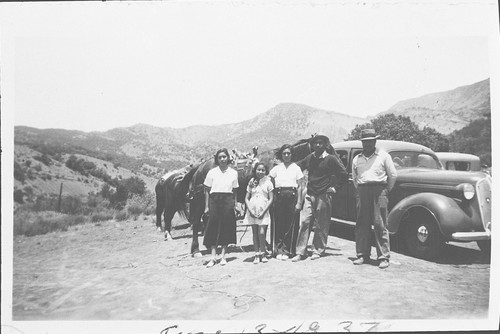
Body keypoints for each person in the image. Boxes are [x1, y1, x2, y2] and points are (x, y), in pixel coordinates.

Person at [292, 134, 348, 261]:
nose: (317, 145)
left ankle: (317, 250)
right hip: (310, 193)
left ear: (325, 145)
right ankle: (300, 251)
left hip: (323, 194)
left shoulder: (331, 159)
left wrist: (334, 188)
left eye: (320, 143)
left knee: (321, 224)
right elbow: (297, 166)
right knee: (305, 222)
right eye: (315, 143)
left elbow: (343, 175)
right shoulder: (310, 158)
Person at [351, 129, 397, 269]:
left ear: (375, 141)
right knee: (362, 224)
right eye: (365, 142)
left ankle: (383, 257)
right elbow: (354, 178)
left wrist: (385, 190)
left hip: (379, 190)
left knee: (380, 224)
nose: (368, 144)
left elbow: (393, 175)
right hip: (362, 190)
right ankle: (362, 255)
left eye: (370, 141)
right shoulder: (357, 158)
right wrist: (361, 190)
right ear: (362, 143)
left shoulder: (383, 156)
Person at [203, 148, 239, 268]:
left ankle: (223, 256)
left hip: (228, 200)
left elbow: (235, 191)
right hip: (214, 200)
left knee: (226, 227)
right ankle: (213, 257)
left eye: (224, 157)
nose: (222, 159)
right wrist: (207, 206)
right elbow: (207, 190)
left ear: (228, 158)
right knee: (212, 227)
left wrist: (236, 205)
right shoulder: (212, 172)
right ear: (217, 160)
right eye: (220, 157)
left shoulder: (233, 173)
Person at [269, 144, 305, 260]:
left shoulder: (296, 168)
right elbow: (269, 182)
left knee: (292, 224)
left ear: (292, 154)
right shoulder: (276, 168)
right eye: (284, 153)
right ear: (281, 155)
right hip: (278, 197)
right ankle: (278, 250)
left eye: (288, 153)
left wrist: (299, 202)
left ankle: (289, 250)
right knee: (279, 224)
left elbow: (300, 186)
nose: (286, 155)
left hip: (292, 197)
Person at [243, 162, 274, 264]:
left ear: (266, 171)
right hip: (252, 211)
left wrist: (264, 211)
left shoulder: (268, 182)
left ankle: (263, 253)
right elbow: (247, 198)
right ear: (255, 170)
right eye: (258, 170)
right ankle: (257, 254)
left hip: (263, 212)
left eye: (263, 170)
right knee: (255, 233)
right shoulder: (251, 182)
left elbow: (271, 199)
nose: (260, 172)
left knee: (261, 233)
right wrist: (250, 211)